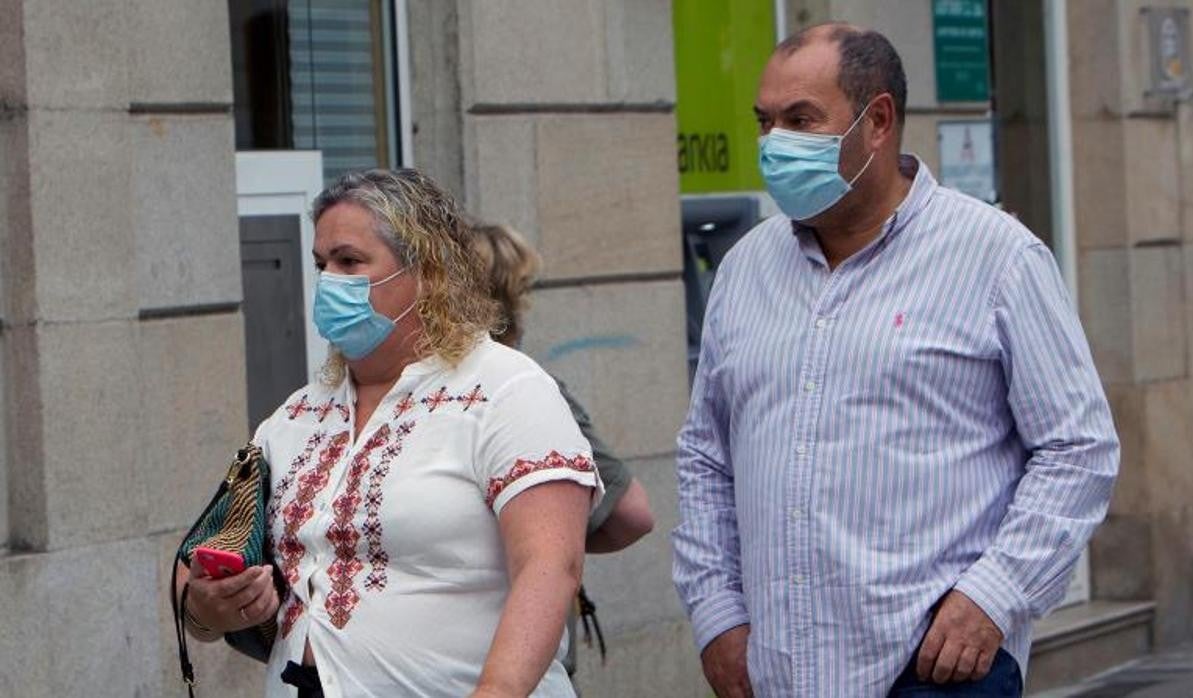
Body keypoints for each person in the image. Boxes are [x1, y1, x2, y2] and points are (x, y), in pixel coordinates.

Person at [672, 23, 1119, 697]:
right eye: (764, 122)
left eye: (801, 120)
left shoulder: (996, 257)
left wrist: (994, 596)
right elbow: (707, 456)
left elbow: (1078, 447)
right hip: (780, 670)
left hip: (937, 667)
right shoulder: (745, 270)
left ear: (877, 121)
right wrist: (716, 615)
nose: (774, 145)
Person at [175, 168, 602, 697]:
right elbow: (203, 563)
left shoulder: (505, 389)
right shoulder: (295, 417)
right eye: (321, 264)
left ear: (426, 272)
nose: (329, 279)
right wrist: (207, 606)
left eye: (349, 261)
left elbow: (551, 564)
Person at [465, 220, 655, 677]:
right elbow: (631, 517)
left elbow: (634, 514)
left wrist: (547, 543)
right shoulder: (528, 389)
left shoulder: (524, 390)